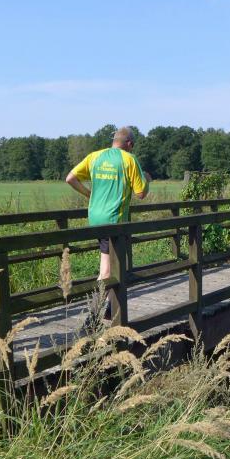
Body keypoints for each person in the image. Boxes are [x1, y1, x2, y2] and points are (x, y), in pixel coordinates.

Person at [65, 126, 150, 318]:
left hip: (95, 218)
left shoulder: (95, 156)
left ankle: (110, 311)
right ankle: (93, 315)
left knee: (115, 264)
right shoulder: (129, 159)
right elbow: (141, 193)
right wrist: (146, 179)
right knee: (107, 269)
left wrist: (89, 194)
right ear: (130, 144)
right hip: (114, 220)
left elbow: (70, 178)